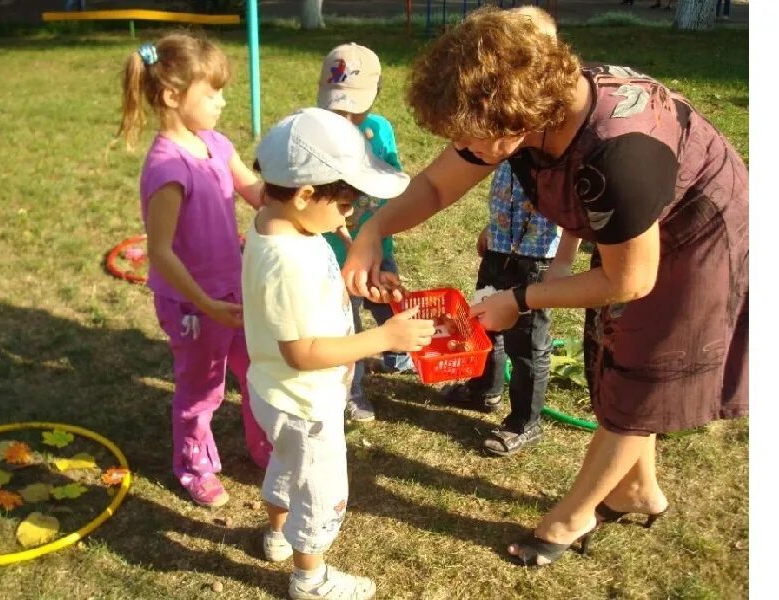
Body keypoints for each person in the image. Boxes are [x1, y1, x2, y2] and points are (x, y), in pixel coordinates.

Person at [342, 7, 748, 567]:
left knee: (647, 372)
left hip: (696, 238)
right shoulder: (524, 109)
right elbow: (437, 185)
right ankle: (636, 490)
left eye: (468, 134)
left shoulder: (618, 155)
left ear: (515, 123)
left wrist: (519, 300)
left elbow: (630, 278)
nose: (462, 145)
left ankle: (573, 515)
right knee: (617, 357)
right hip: (630, 232)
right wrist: (374, 228)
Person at [243, 107, 434, 599]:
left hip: (277, 395)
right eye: (345, 203)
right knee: (319, 490)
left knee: (286, 467)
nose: (349, 214)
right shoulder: (288, 261)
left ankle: (275, 537)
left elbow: (306, 303)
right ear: (306, 194)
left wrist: (358, 285)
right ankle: (311, 578)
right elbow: (302, 351)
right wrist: (383, 340)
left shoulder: (280, 223)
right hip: (307, 402)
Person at [116, 32, 271, 508]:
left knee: (256, 371)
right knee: (202, 387)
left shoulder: (215, 144)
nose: (223, 102)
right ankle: (193, 465)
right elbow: (160, 252)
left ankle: (263, 446)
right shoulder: (167, 168)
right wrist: (206, 305)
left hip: (234, 289)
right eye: (212, 93)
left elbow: (256, 193)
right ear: (171, 96)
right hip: (194, 304)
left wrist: (304, 202)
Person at [442, 5, 563, 458]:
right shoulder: (501, 118)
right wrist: (490, 232)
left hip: (537, 258)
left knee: (527, 342)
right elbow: (504, 187)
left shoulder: (552, 131)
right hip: (500, 243)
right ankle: (483, 389)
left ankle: (524, 421)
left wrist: (562, 264)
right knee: (483, 321)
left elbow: (571, 215)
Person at [316, 42, 416, 423]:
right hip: (335, 255)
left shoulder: (378, 129)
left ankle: (398, 353)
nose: (344, 115)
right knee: (348, 323)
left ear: (373, 97)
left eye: (353, 107)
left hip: (375, 246)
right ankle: (351, 392)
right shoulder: (315, 131)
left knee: (387, 300)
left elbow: (392, 179)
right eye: (336, 104)